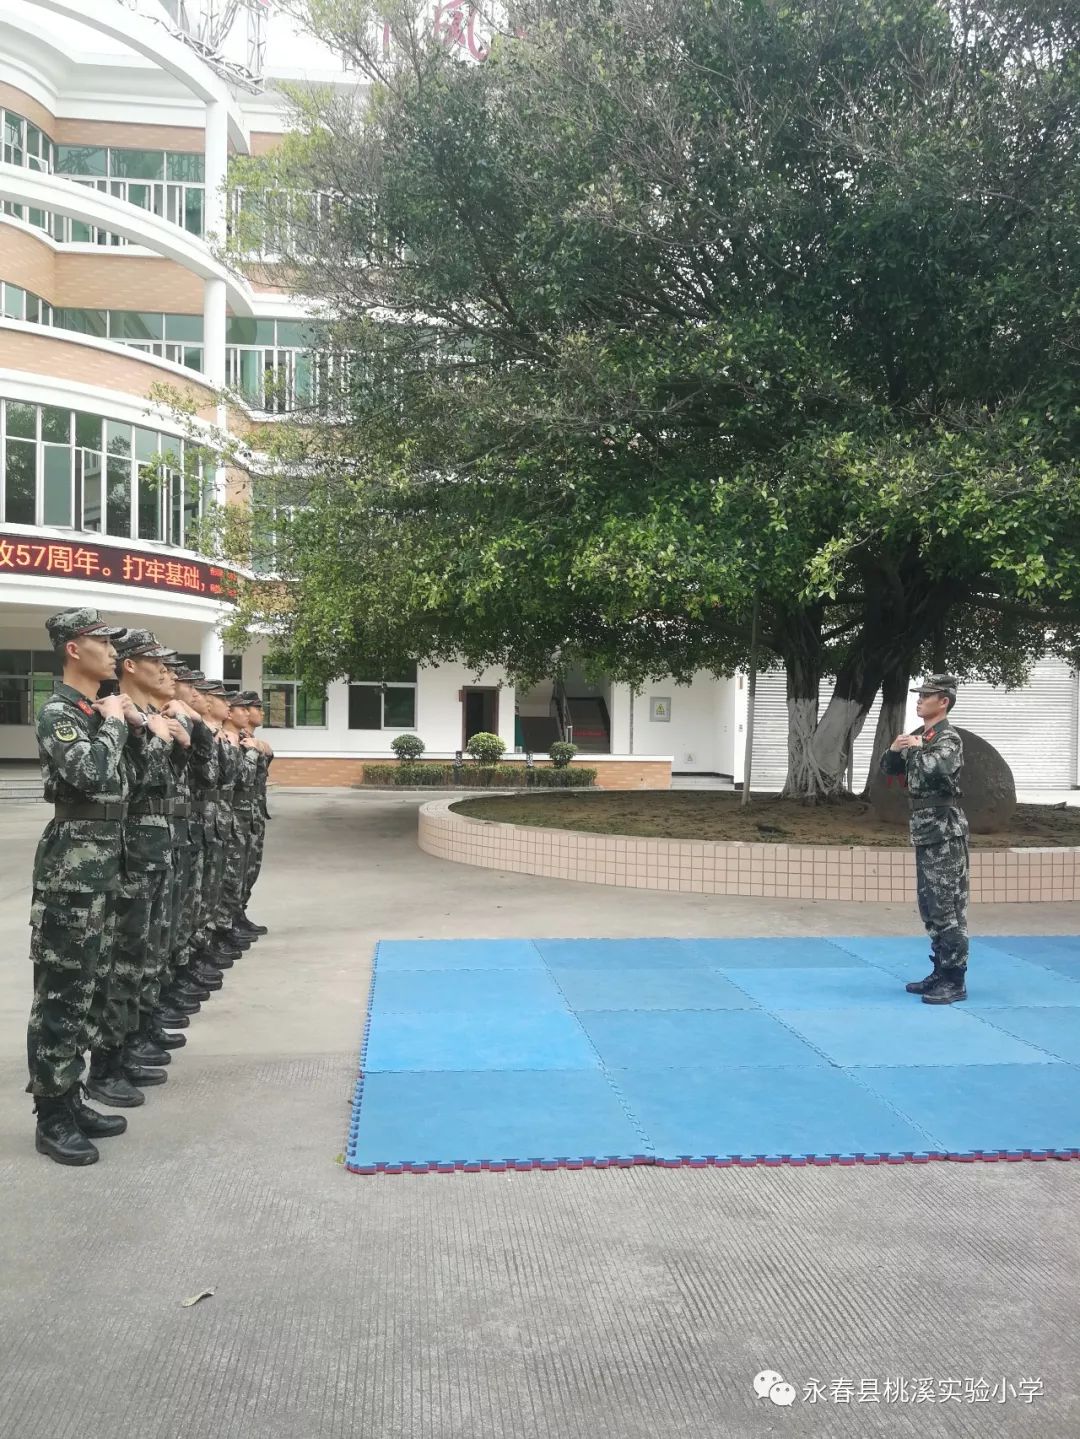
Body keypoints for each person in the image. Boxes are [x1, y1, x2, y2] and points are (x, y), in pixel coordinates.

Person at [26, 608, 139, 1165]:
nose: (113, 652)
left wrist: (123, 721)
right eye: (104, 642)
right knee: (61, 994)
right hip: (72, 872)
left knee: (91, 987)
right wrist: (116, 722)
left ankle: (72, 1097)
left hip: (107, 864)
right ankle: (51, 1115)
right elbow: (91, 774)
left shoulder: (99, 710)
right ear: (74, 648)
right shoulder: (58, 712)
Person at [86, 629, 178, 1104]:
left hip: (146, 847)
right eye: (153, 661)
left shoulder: (142, 717)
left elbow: (184, 780)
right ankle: (104, 1065)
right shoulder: (106, 715)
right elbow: (130, 785)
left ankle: (127, 1044)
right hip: (116, 853)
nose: (165, 671)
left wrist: (180, 734)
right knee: (115, 963)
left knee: (143, 951)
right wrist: (153, 737)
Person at [880, 675, 969, 1004]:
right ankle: (940, 970)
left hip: (944, 828)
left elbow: (939, 768)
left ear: (943, 701)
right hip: (925, 827)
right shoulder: (922, 735)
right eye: (919, 695)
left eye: (926, 695)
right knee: (930, 906)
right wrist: (894, 748)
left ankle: (954, 979)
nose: (919, 700)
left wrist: (917, 749)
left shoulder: (948, 738)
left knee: (948, 907)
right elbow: (889, 769)